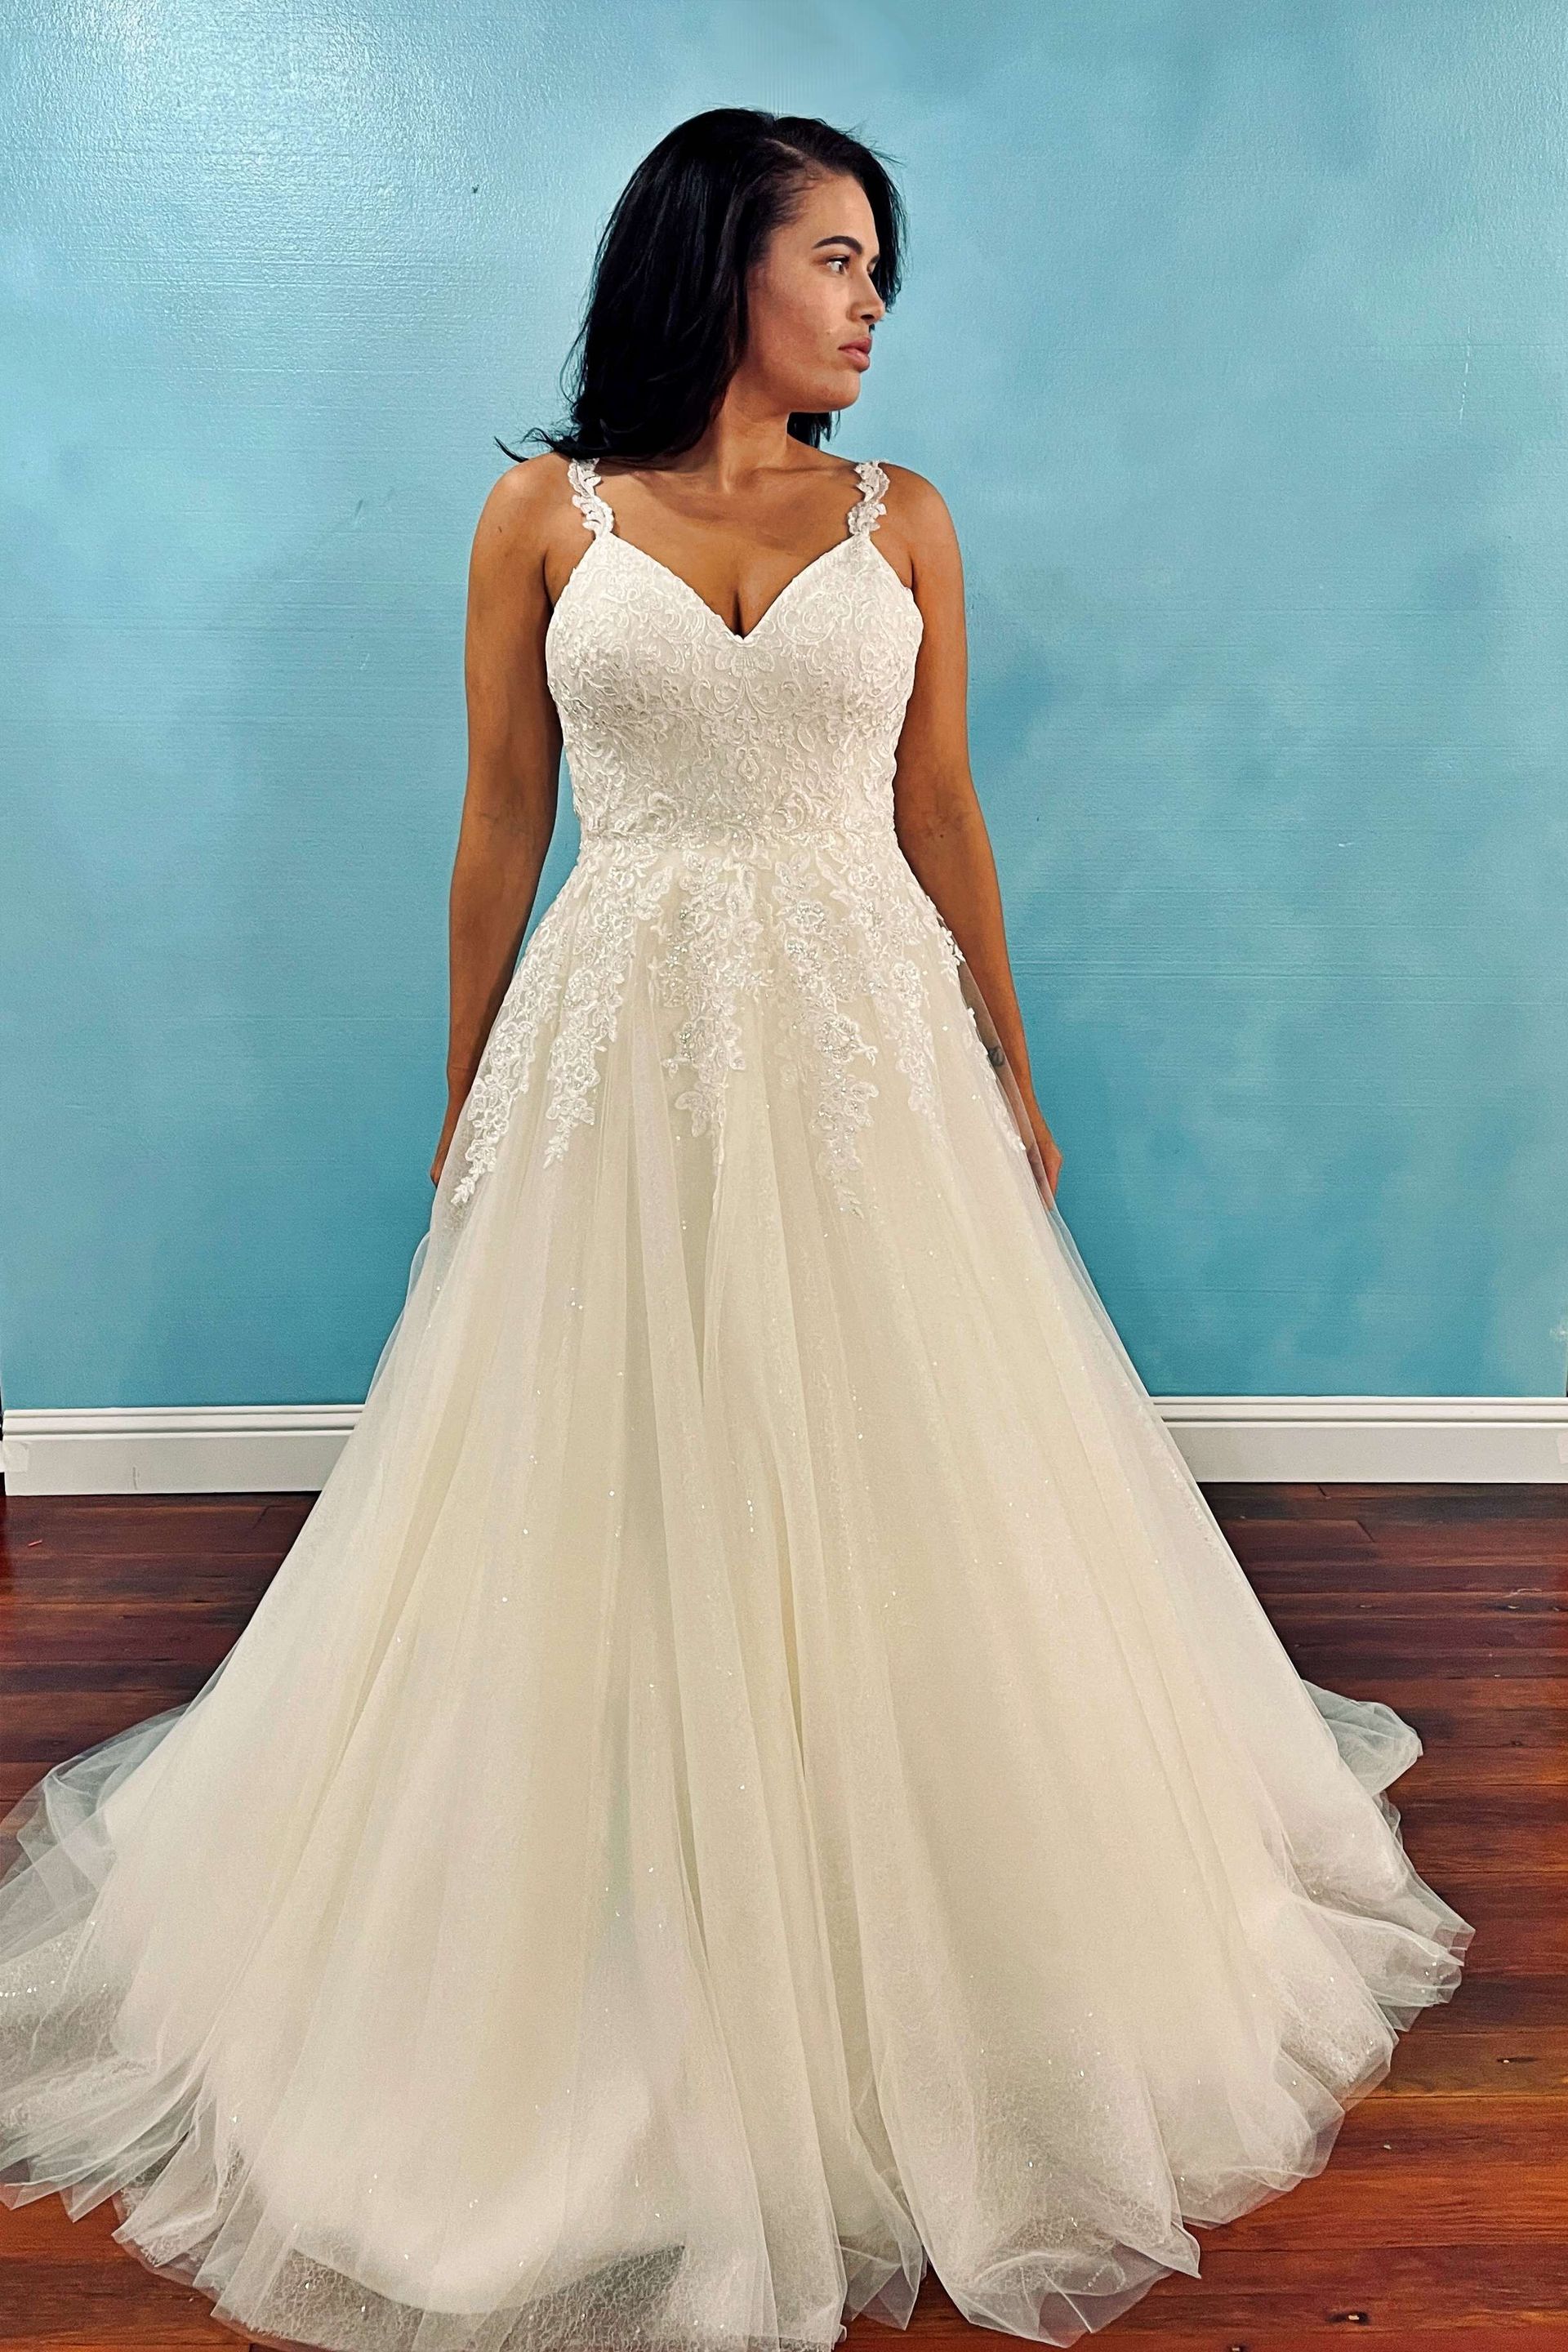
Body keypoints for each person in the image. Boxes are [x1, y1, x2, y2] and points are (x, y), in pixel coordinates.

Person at [0, 106, 1472, 2352]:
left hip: (860, 1030)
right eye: (841, 257)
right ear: (724, 260)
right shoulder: (538, 518)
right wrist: (468, 1076)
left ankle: (920, 1907)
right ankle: (599, 1894)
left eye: (884, 272)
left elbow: (940, 802)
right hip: (623, 1030)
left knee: (899, 1459)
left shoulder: (909, 522)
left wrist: (1012, 1051)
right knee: (612, 1464)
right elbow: (504, 816)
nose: (873, 304)